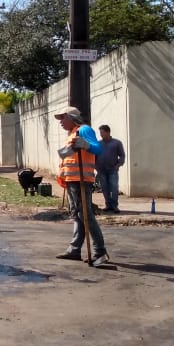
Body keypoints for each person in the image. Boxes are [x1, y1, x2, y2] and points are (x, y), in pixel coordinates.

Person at [54, 107, 109, 266]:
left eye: (63, 118)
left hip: (81, 180)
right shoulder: (72, 133)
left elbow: (98, 149)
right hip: (73, 180)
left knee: (86, 215)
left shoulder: (84, 130)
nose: (61, 122)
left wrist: (86, 145)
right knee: (78, 215)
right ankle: (74, 250)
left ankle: (100, 251)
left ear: (71, 118)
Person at [96, 124, 126, 213]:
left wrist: (118, 165)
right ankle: (108, 205)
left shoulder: (116, 143)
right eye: (100, 133)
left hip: (112, 169)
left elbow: (122, 155)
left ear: (108, 132)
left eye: (102, 132)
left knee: (114, 187)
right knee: (104, 188)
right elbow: (94, 156)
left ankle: (115, 205)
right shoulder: (98, 144)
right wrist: (95, 166)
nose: (101, 134)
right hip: (101, 169)